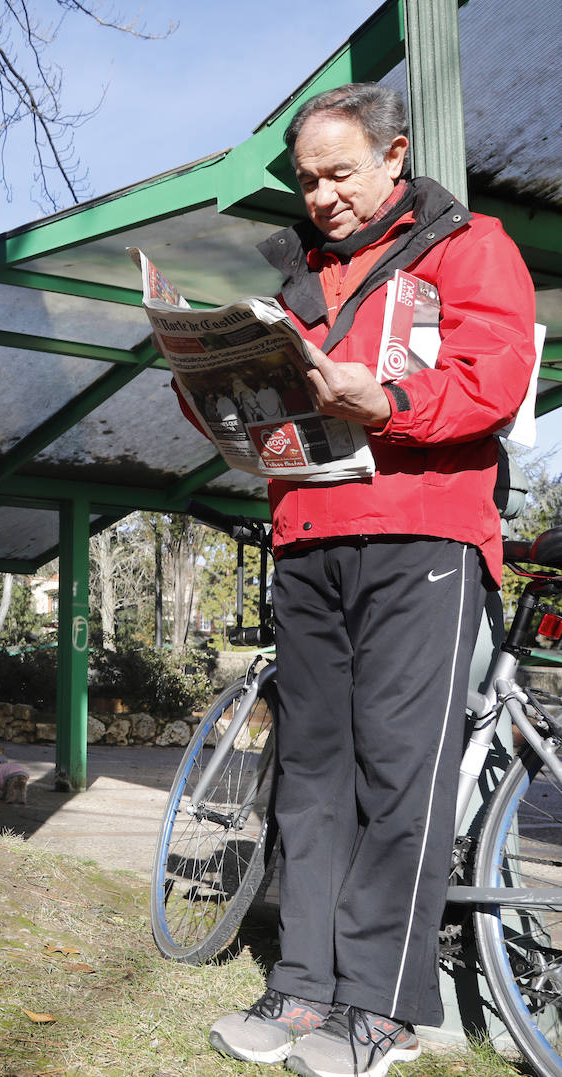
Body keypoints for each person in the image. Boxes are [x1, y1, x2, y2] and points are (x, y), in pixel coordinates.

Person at [193, 84, 536, 1077]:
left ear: (395, 157)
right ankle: (302, 987)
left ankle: (381, 1010)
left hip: (421, 539)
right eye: (308, 181)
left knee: (399, 772)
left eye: (340, 173)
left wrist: (380, 398)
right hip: (306, 534)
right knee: (309, 774)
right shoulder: (301, 278)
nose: (324, 196)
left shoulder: (470, 250)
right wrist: (213, 391)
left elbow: (493, 380)